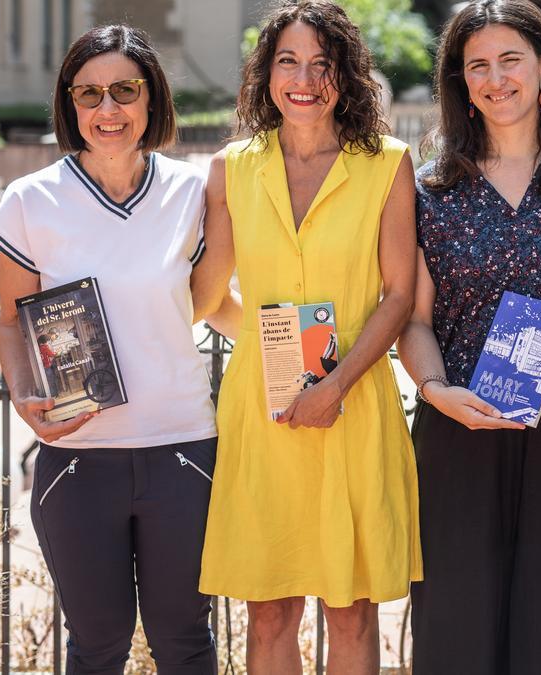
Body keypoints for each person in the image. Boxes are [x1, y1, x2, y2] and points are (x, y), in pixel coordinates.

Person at [396, 1, 541, 672]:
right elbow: (414, 319)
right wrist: (437, 390)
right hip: (460, 430)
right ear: (461, 83)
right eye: (478, 66)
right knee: (456, 627)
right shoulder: (431, 190)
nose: (496, 78)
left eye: (510, 60)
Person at [191, 2, 420, 673]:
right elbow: (211, 297)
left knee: (350, 609)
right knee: (269, 609)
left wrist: (334, 384)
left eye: (322, 64)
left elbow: (399, 295)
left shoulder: (387, 164)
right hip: (264, 417)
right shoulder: (230, 169)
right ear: (266, 74)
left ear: (345, 76)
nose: (305, 79)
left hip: (352, 407)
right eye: (288, 61)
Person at [0, 25, 218, 674]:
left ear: (152, 99)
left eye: (124, 89)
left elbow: (212, 299)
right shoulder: (28, 202)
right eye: (88, 94)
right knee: (95, 646)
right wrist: (25, 398)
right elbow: (11, 323)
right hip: (76, 461)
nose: (107, 109)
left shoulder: (193, 193)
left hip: (182, 450)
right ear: (69, 104)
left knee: (185, 640)